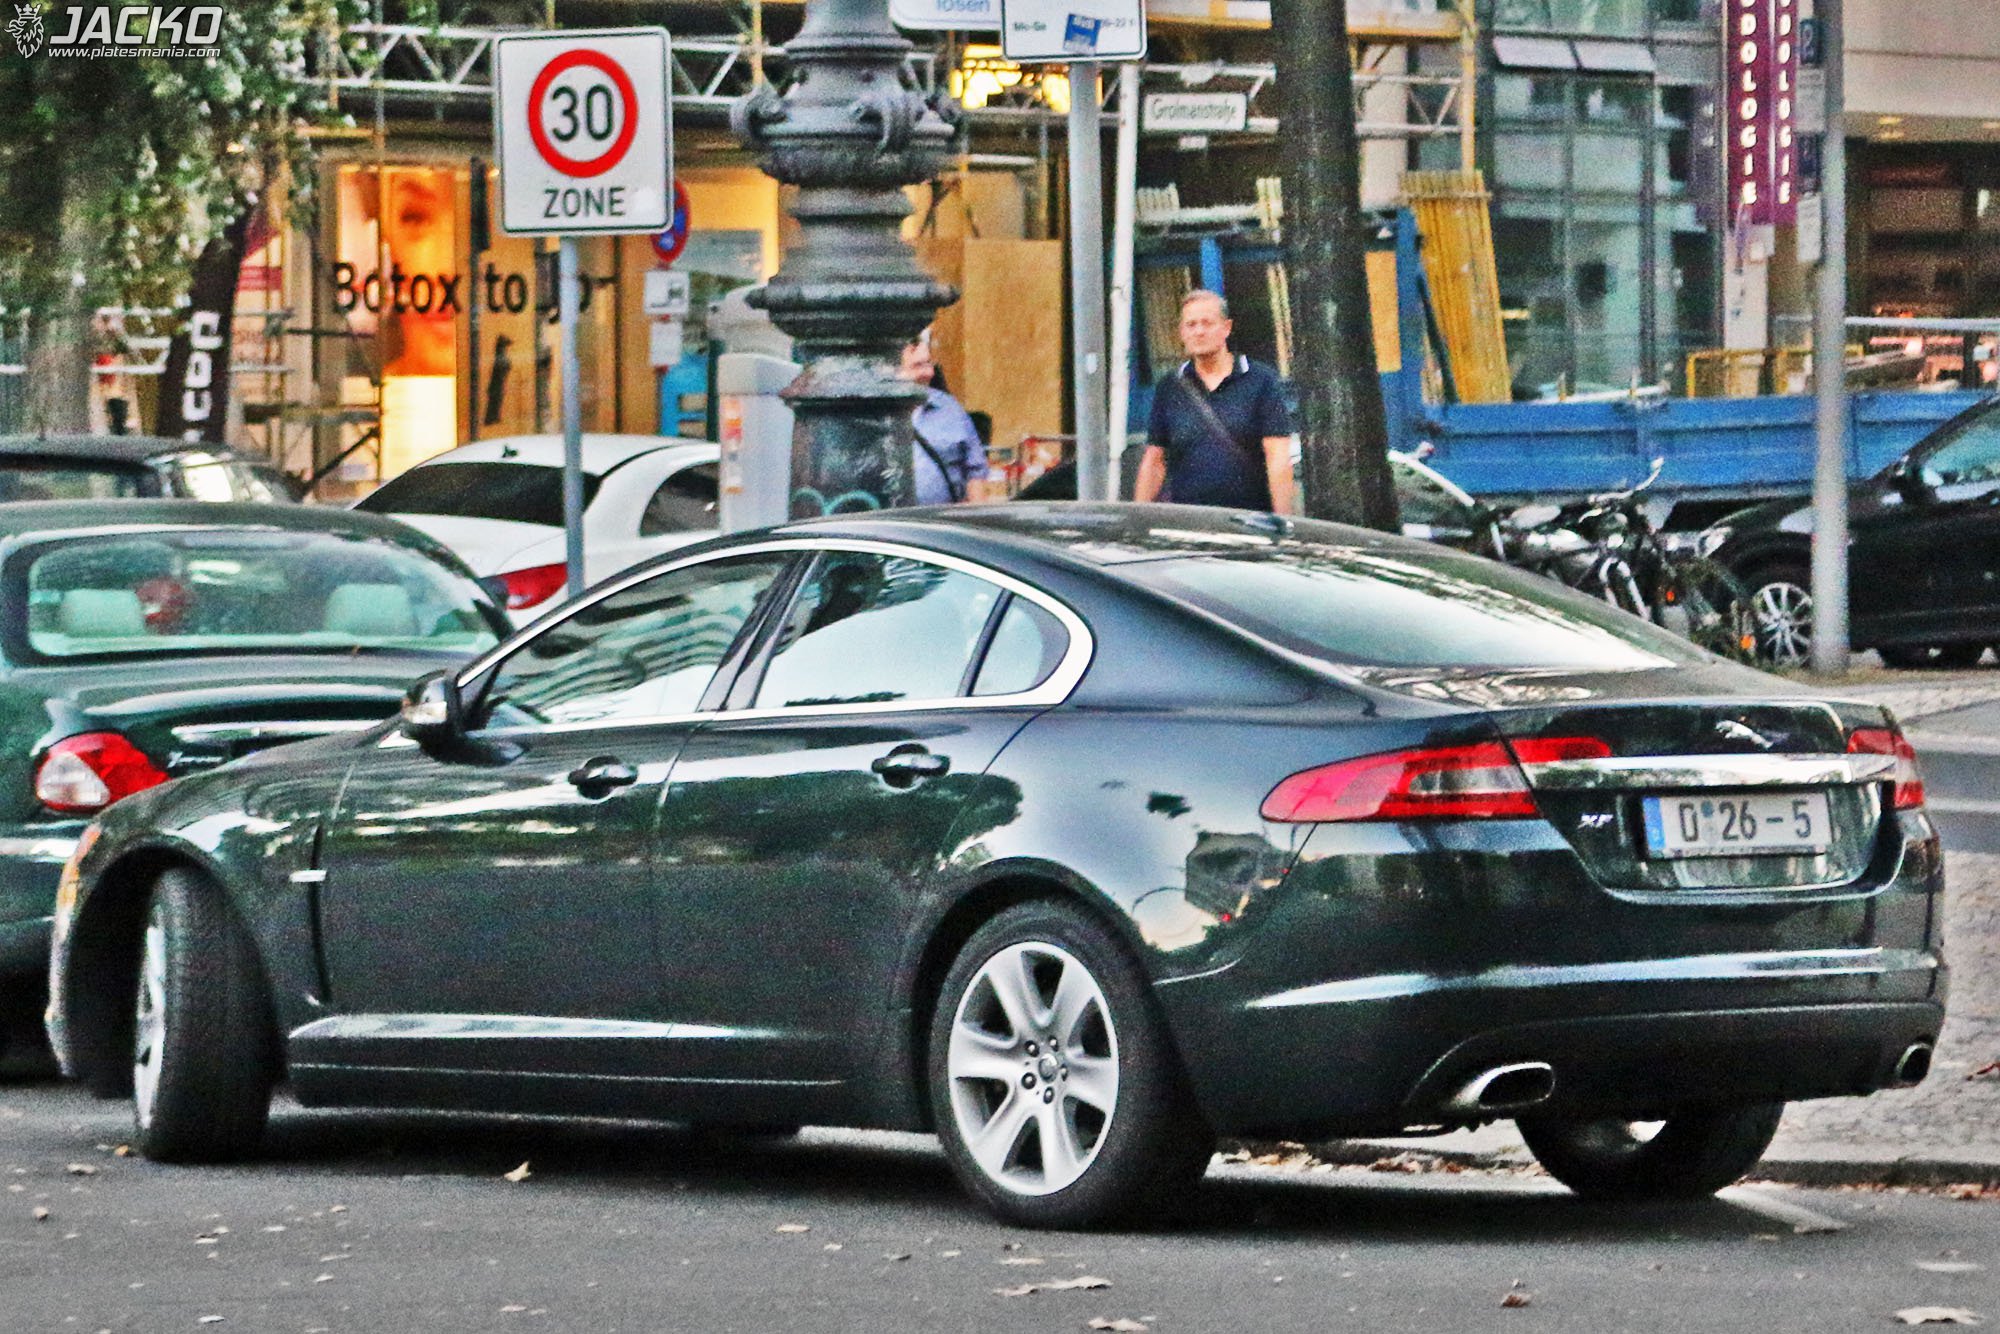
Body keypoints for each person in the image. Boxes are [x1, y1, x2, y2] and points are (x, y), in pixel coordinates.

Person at [1133, 290, 1295, 513]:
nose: (1199, 331)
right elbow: (1154, 461)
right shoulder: (1169, 387)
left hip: (1251, 523)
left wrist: (1283, 522)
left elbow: (1277, 457)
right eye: (1191, 325)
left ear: (1226, 328)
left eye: (1207, 323)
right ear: (1181, 332)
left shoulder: (1261, 381)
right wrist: (1138, 518)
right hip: (1189, 525)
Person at [901, 333, 993, 505]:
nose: (928, 373)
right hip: (888, 526)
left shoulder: (949, 408)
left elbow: (975, 471)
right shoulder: (872, 413)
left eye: (929, 364)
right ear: (894, 371)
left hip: (939, 522)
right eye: (917, 366)